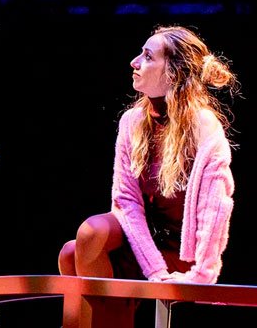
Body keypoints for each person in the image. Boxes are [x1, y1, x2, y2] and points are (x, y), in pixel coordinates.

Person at [58, 25, 238, 284]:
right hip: (142, 243)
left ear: (174, 72)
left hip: (181, 253)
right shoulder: (132, 121)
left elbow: (215, 207)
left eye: (148, 56)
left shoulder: (202, 124)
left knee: (83, 243)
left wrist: (202, 274)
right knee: (75, 247)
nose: (134, 62)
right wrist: (154, 270)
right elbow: (126, 201)